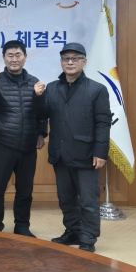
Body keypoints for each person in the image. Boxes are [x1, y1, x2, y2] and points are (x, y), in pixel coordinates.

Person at [33, 42, 111, 253]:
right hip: (60, 154)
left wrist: (100, 152)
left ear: (84, 62)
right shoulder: (51, 88)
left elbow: (103, 123)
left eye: (75, 58)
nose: (70, 62)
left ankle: (88, 239)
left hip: (87, 154)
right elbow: (43, 114)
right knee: (66, 199)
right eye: (66, 58)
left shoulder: (97, 89)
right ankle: (73, 231)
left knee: (88, 200)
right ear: (61, 62)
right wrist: (38, 98)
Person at [0, 40, 48, 237]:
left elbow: (42, 112)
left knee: (25, 190)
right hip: (3, 143)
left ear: (25, 57)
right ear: (4, 58)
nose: (14, 59)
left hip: (28, 144)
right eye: (10, 55)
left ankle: (22, 226)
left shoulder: (35, 82)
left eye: (18, 55)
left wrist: (41, 133)